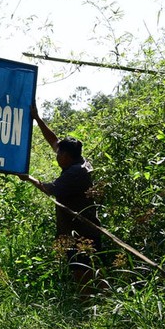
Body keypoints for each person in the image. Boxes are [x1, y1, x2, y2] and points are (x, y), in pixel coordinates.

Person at [18, 105, 105, 295]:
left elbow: (50, 189)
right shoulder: (78, 161)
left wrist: (28, 177)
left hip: (82, 232)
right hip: (82, 229)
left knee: (82, 272)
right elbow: (55, 141)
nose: (56, 155)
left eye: (59, 154)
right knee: (84, 270)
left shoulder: (76, 173)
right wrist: (37, 119)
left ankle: (88, 308)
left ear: (65, 157)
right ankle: (94, 304)